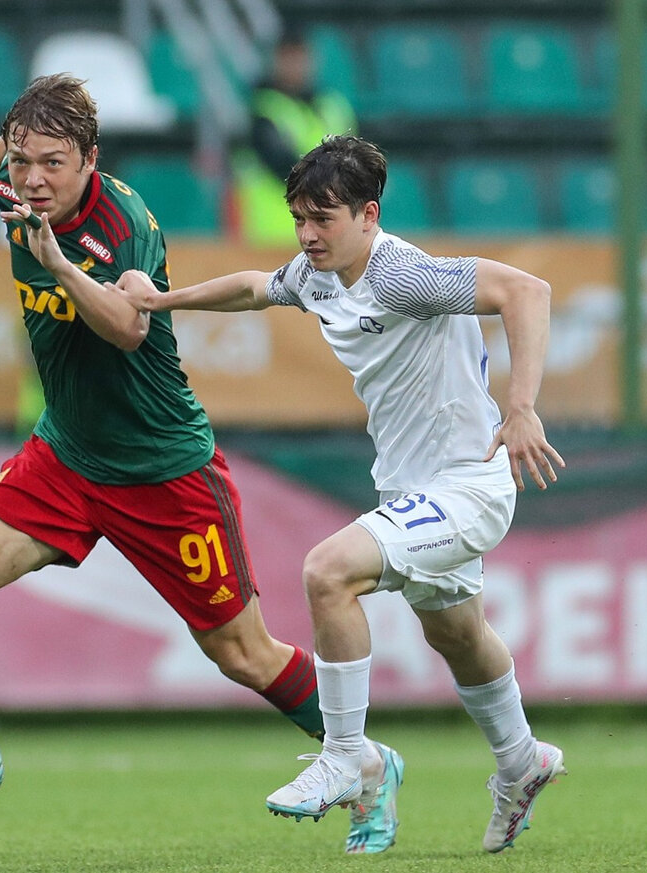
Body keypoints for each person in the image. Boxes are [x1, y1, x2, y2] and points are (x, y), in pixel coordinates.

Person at [0, 75, 402, 856]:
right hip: (66, 454)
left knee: (242, 653)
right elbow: (6, 142)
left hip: (165, 469)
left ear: (89, 160)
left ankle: (367, 761)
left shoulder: (121, 227)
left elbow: (128, 329)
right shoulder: (18, 174)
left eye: (52, 164)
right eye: (24, 162)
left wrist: (61, 266)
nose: (31, 178)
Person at [114, 134, 567, 854]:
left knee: (329, 571)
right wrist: (163, 299)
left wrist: (522, 406)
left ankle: (347, 757)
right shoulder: (318, 273)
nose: (307, 234)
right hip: (409, 482)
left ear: (368, 214)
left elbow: (527, 291)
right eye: (300, 217)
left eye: (323, 218)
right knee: (457, 633)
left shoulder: (402, 275)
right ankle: (522, 760)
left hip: (470, 482)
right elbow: (255, 288)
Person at [235, 27, 356, 248]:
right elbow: (283, 165)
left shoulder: (334, 106)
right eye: (287, 57)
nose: (294, 65)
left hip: (330, 237)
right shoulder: (264, 109)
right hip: (271, 235)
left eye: (299, 56)